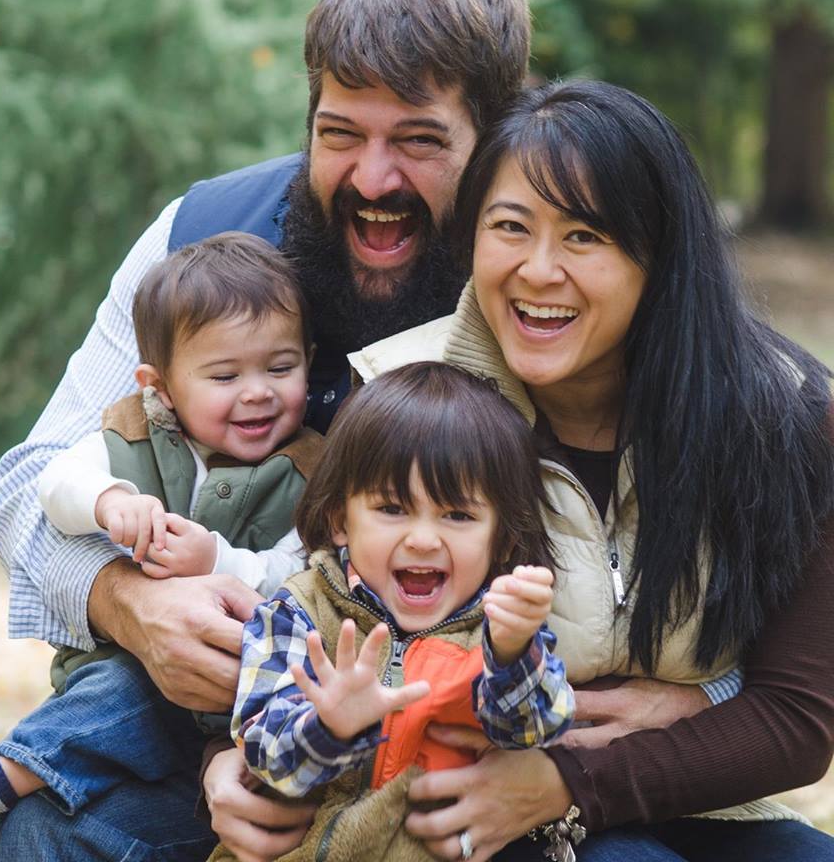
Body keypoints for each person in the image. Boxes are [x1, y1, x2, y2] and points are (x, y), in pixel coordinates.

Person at [0, 0, 534, 862]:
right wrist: (124, 603)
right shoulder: (200, 235)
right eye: (340, 133)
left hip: (425, 781)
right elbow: (31, 483)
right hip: (167, 747)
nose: (374, 181)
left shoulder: (537, 279)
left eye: (419, 141)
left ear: (494, 139)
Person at [347, 79, 834, 860]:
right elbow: (317, 619)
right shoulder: (403, 403)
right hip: (471, 813)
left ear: (659, 256)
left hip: (708, 805)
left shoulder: (784, 414)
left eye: (584, 237)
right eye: (511, 226)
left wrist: (588, 772)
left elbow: (799, 721)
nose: (539, 271)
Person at [0, 233, 325, 853]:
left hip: (241, 702)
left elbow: (303, 573)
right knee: (123, 686)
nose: (257, 391)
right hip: (125, 681)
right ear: (160, 386)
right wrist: (109, 501)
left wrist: (219, 563)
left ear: (309, 358)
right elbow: (53, 482)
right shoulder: (130, 433)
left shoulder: (313, 471)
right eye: (224, 375)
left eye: (281, 368)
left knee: (133, 701)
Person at [211, 362, 574, 861]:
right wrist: (330, 724)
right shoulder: (298, 612)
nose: (423, 539)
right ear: (340, 520)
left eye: (458, 515)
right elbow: (264, 754)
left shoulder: (502, 629)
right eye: (392, 509)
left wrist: (512, 653)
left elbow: (535, 731)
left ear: (503, 537)